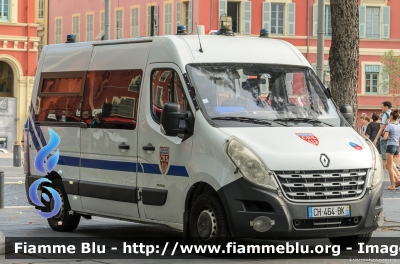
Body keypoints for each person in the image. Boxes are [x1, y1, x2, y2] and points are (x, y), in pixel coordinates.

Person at [382, 109, 400, 190]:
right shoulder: (398, 126)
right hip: (396, 146)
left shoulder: (389, 126)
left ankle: (392, 185)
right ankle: (397, 179)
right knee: (387, 164)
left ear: (391, 116)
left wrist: (384, 134)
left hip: (390, 146)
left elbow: (385, 137)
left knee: (389, 167)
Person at [373, 101, 392, 169]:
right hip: (392, 138)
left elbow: (382, 127)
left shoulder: (385, 115)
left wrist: (376, 138)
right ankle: (396, 173)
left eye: (382, 107)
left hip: (384, 138)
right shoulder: (393, 114)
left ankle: (383, 172)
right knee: (390, 157)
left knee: (384, 157)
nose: (381, 108)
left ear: (386, 107)